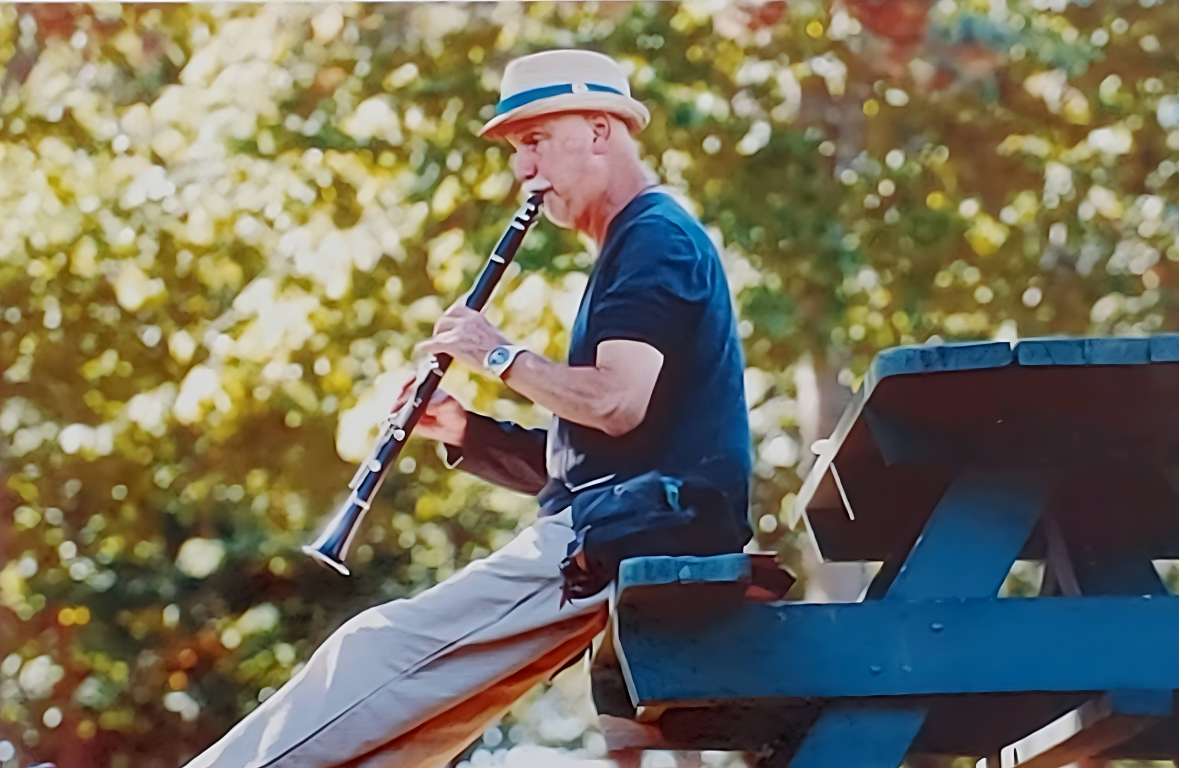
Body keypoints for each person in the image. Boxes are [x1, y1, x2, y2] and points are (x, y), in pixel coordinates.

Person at [185, 48, 753, 768]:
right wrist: (465, 430)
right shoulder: (638, 242)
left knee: (372, 653)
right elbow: (595, 458)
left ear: (602, 131)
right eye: (518, 150)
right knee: (403, 736)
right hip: (633, 521)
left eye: (535, 142)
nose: (523, 170)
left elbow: (614, 404)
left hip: (631, 534)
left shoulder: (653, 239)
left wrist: (497, 354)